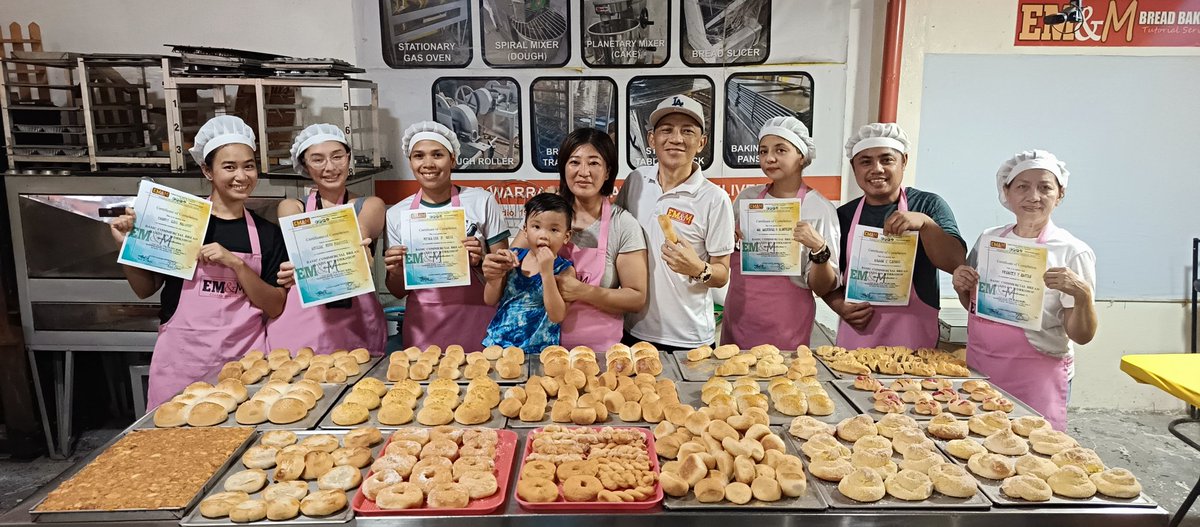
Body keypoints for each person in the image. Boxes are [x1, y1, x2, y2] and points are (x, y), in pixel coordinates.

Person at [110, 115, 288, 409]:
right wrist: (126, 250)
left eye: (249, 166)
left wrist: (237, 265)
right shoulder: (180, 222)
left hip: (245, 364)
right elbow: (146, 288)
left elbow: (275, 305)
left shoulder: (268, 235)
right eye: (229, 167)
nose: (241, 176)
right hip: (182, 362)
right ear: (207, 170)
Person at [951, 150, 1097, 430]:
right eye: (1022, 187)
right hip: (982, 365)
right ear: (1007, 192)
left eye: (1045, 187)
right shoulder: (989, 240)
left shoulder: (1072, 251)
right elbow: (973, 304)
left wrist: (1082, 295)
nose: (1034, 196)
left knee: (1034, 451)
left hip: (1036, 376)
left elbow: (1082, 335)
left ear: (1060, 194)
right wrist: (962, 285)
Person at [491, 129, 648, 350]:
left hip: (598, 351)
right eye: (574, 162)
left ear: (607, 172)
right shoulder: (544, 214)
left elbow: (636, 298)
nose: (583, 172)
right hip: (536, 348)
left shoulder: (622, 224)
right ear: (564, 168)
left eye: (594, 163)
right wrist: (494, 267)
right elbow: (511, 269)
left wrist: (583, 291)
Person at [823, 122, 965, 350]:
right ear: (853, 167)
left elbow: (956, 262)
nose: (877, 169)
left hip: (913, 336)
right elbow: (827, 277)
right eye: (865, 161)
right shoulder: (843, 216)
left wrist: (926, 225)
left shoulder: (928, 205)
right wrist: (839, 305)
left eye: (887, 160)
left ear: (904, 161)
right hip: (858, 333)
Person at [616, 94, 735, 351]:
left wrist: (698, 268)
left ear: (701, 142)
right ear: (651, 139)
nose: (676, 139)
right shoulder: (635, 181)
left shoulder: (714, 199)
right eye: (666, 130)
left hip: (690, 339)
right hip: (633, 331)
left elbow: (722, 274)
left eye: (687, 131)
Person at [384, 121, 509, 350]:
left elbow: (505, 278)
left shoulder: (481, 201)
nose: (428, 164)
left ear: (453, 159)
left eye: (438, 154)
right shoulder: (396, 215)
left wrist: (480, 262)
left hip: (478, 319)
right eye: (419, 156)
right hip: (423, 327)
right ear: (410, 161)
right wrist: (396, 271)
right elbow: (398, 290)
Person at [267, 124, 387, 355]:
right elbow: (297, 246)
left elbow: (360, 231)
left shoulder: (370, 205)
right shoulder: (292, 207)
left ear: (348, 158)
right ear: (304, 165)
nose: (330, 167)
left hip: (357, 322)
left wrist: (356, 247)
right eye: (318, 160)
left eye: (337, 157)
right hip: (302, 324)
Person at [722, 116, 840, 349]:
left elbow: (823, 287)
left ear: (802, 156)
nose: (770, 158)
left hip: (786, 326)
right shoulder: (746, 200)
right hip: (739, 317)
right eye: (763, 151)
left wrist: (819, 248)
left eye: (780, 150)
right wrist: (730, 240)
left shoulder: (819, 209)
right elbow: (723, 259)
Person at [481, 193, 576, 350]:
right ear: (525, 230)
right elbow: (490, 300)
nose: (543, 235)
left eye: (554, 229)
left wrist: (546, 273)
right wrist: (495, 277)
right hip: (497, 344)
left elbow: (557, 315)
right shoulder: (513, 258)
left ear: (566, 236)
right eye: (536, 227)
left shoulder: (564, 270)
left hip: (538, 350)